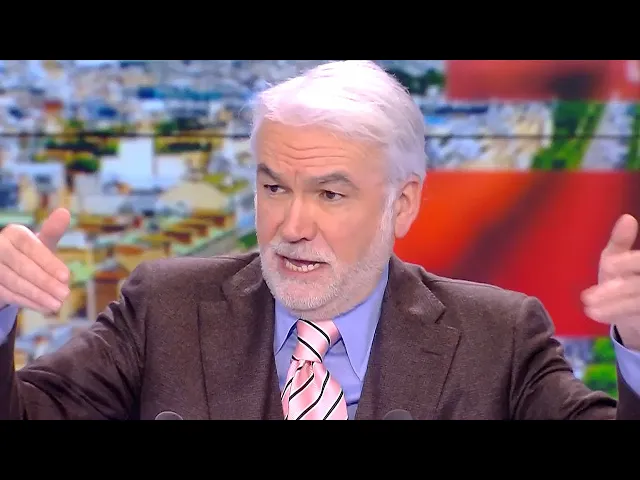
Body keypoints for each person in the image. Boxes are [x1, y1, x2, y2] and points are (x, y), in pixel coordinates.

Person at [1, 60, 640, 420]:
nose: (292, 225)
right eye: (274, 187)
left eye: (330, 195)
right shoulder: (163, 308)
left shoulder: (498, 338)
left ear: (402, 204)